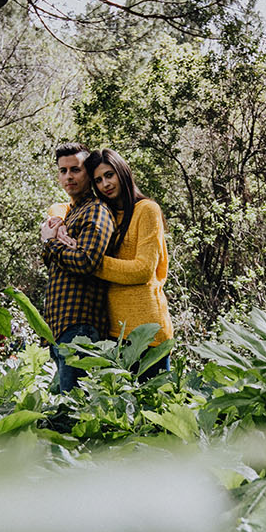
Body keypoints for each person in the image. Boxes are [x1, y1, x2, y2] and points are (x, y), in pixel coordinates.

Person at [54, 149, 173, 374]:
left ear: (122, 172)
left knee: (153, 396)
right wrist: (56, 220)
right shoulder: (105, 211)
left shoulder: (147, 210)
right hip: (113, 332)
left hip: (147, 330)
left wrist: (89, 261)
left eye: (109, 175)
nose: (105, 184)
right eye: (98, 180)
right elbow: (62, 206)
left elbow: (143, 270)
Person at [40, 143, 115, 392]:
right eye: (63, 171)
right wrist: (54, 237)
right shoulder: (70, 214)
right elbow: (53, 259)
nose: (68, 176)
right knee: (66, 402)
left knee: (76, 406)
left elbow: (85, 261)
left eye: (75, 169)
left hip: (81, 325)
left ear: (89, 173)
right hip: (61, 325)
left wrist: (50, 242)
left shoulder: (96, 210)